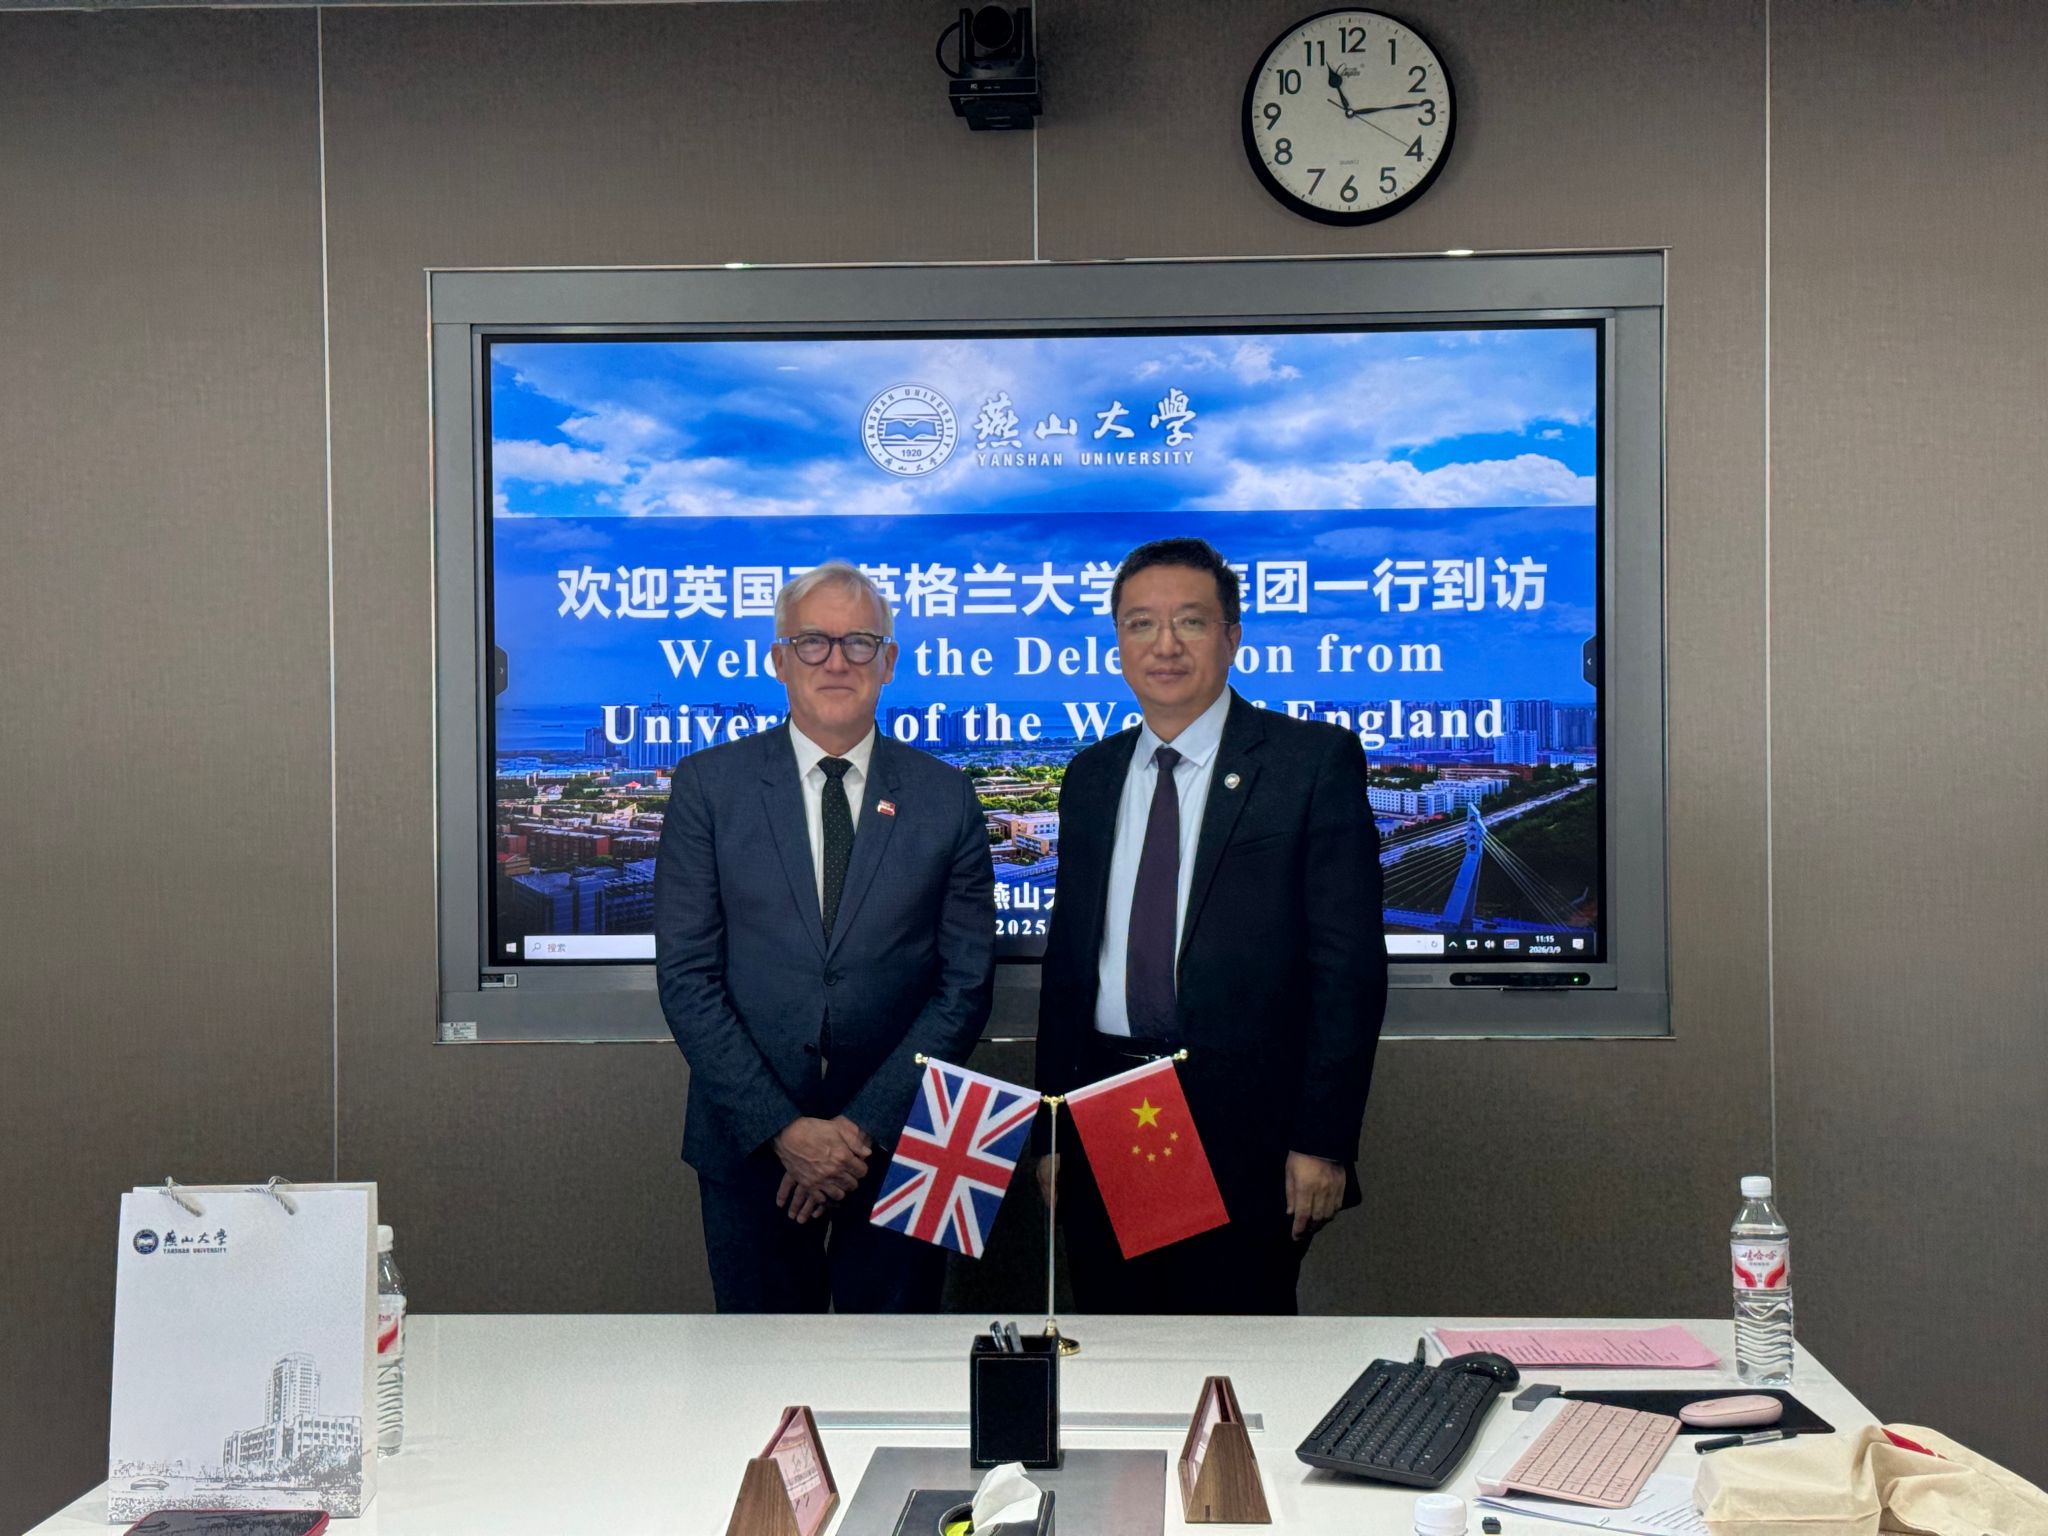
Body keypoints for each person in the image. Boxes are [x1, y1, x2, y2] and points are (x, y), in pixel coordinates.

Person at [1035, 537, 1387, 1314]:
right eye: (1140, 624)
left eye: (1190, 622)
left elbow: (1349, 969)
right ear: (1118, 641)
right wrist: (1050, 1135)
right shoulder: (1091, 776)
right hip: (1110, 1108)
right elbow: (1070, 969)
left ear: (1231, 636)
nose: (1164, 645)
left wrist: (1323, 1140)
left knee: (1234, 1348)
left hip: (1247, 1128)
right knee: (1116, 1339)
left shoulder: (1307, 762)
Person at [655, 561, 994, 1312]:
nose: (837, 661)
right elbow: (687, 977)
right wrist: (785, 1131)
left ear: (889, 661)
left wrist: (857, 1132)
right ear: (779, 659)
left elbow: (965, 985)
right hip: (750, 1145)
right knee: (762, 1371)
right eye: (813, 642)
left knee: (903, 1368)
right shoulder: (709, 787)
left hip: (908, 1143)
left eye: (859, 642)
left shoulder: (947, 796)